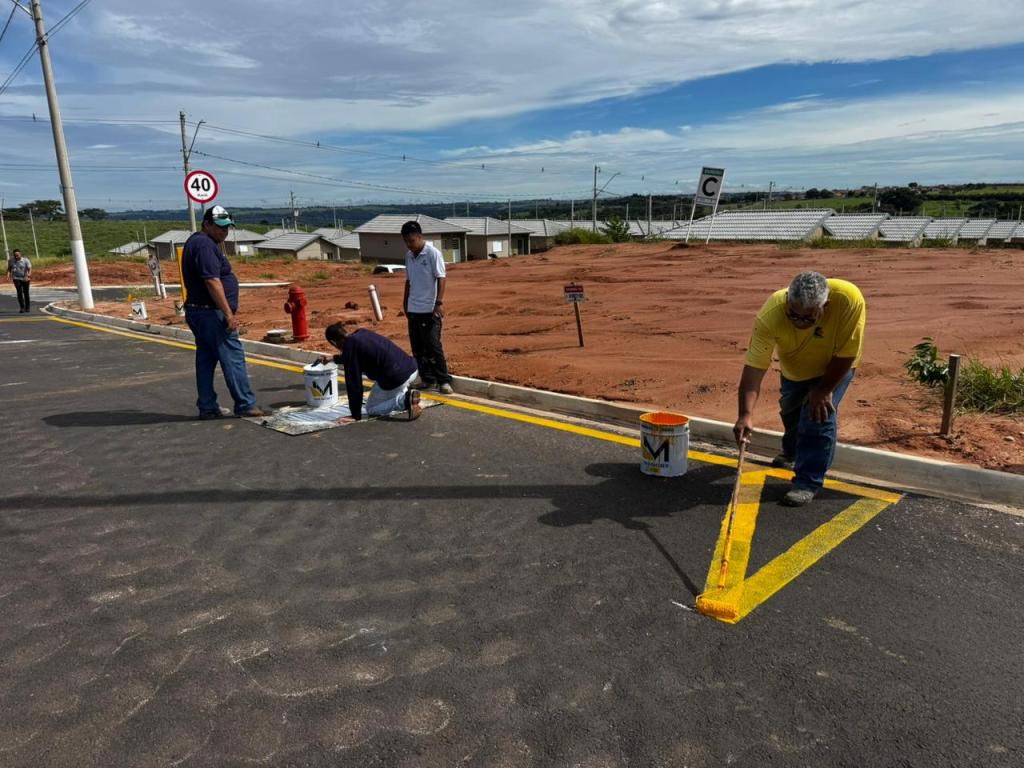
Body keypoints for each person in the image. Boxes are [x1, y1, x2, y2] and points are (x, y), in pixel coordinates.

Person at [733, 271, 866, 507]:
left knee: (817, 415)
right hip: (795, 368)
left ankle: (807, 482)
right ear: (787, 301)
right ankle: (792, 451)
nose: (799, 322)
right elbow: (754, 367)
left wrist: (824, 390)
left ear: (825, 306)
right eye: (793, 315)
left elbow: (847, 353)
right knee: (791, 412)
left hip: (834, 367)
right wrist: (745, 414)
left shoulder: (848, 299)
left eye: (808, 318)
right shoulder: (770, 315)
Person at [180, 205, 264, 420]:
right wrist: (228, 314)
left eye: (227, 228)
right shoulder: (205, 245)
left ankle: (207, 406)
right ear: (207, 224)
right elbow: (212, 280)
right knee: (233, 358)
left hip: (198, 312)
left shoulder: (196, 242)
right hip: (211, 313)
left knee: (206, 359)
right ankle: (245, 404)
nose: (224, 232)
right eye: (220, 227)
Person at [319, 323, 421, 420]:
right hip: (412, 368)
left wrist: (355, 415)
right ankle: (406, 392)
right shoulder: (361, 333)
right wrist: (333, 358)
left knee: (372, 408)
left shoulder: (350, 347)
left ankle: (405, 400)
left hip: (397, 378)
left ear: (333, 342)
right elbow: (355, 355)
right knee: (388, 387)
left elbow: (354, 384)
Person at [401, 221, 454, 394]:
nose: (409, 244)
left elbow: (441, 277)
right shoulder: (409, 256)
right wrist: (405, 302)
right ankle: (427, 379)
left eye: (411, 240)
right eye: (406, 241)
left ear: (419, 236)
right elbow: (409, 281)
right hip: (413, 309)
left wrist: (438, 303)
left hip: (429, 309)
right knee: (418, 348)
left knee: (433, 346)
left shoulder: (432, 253)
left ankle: (443, 381)